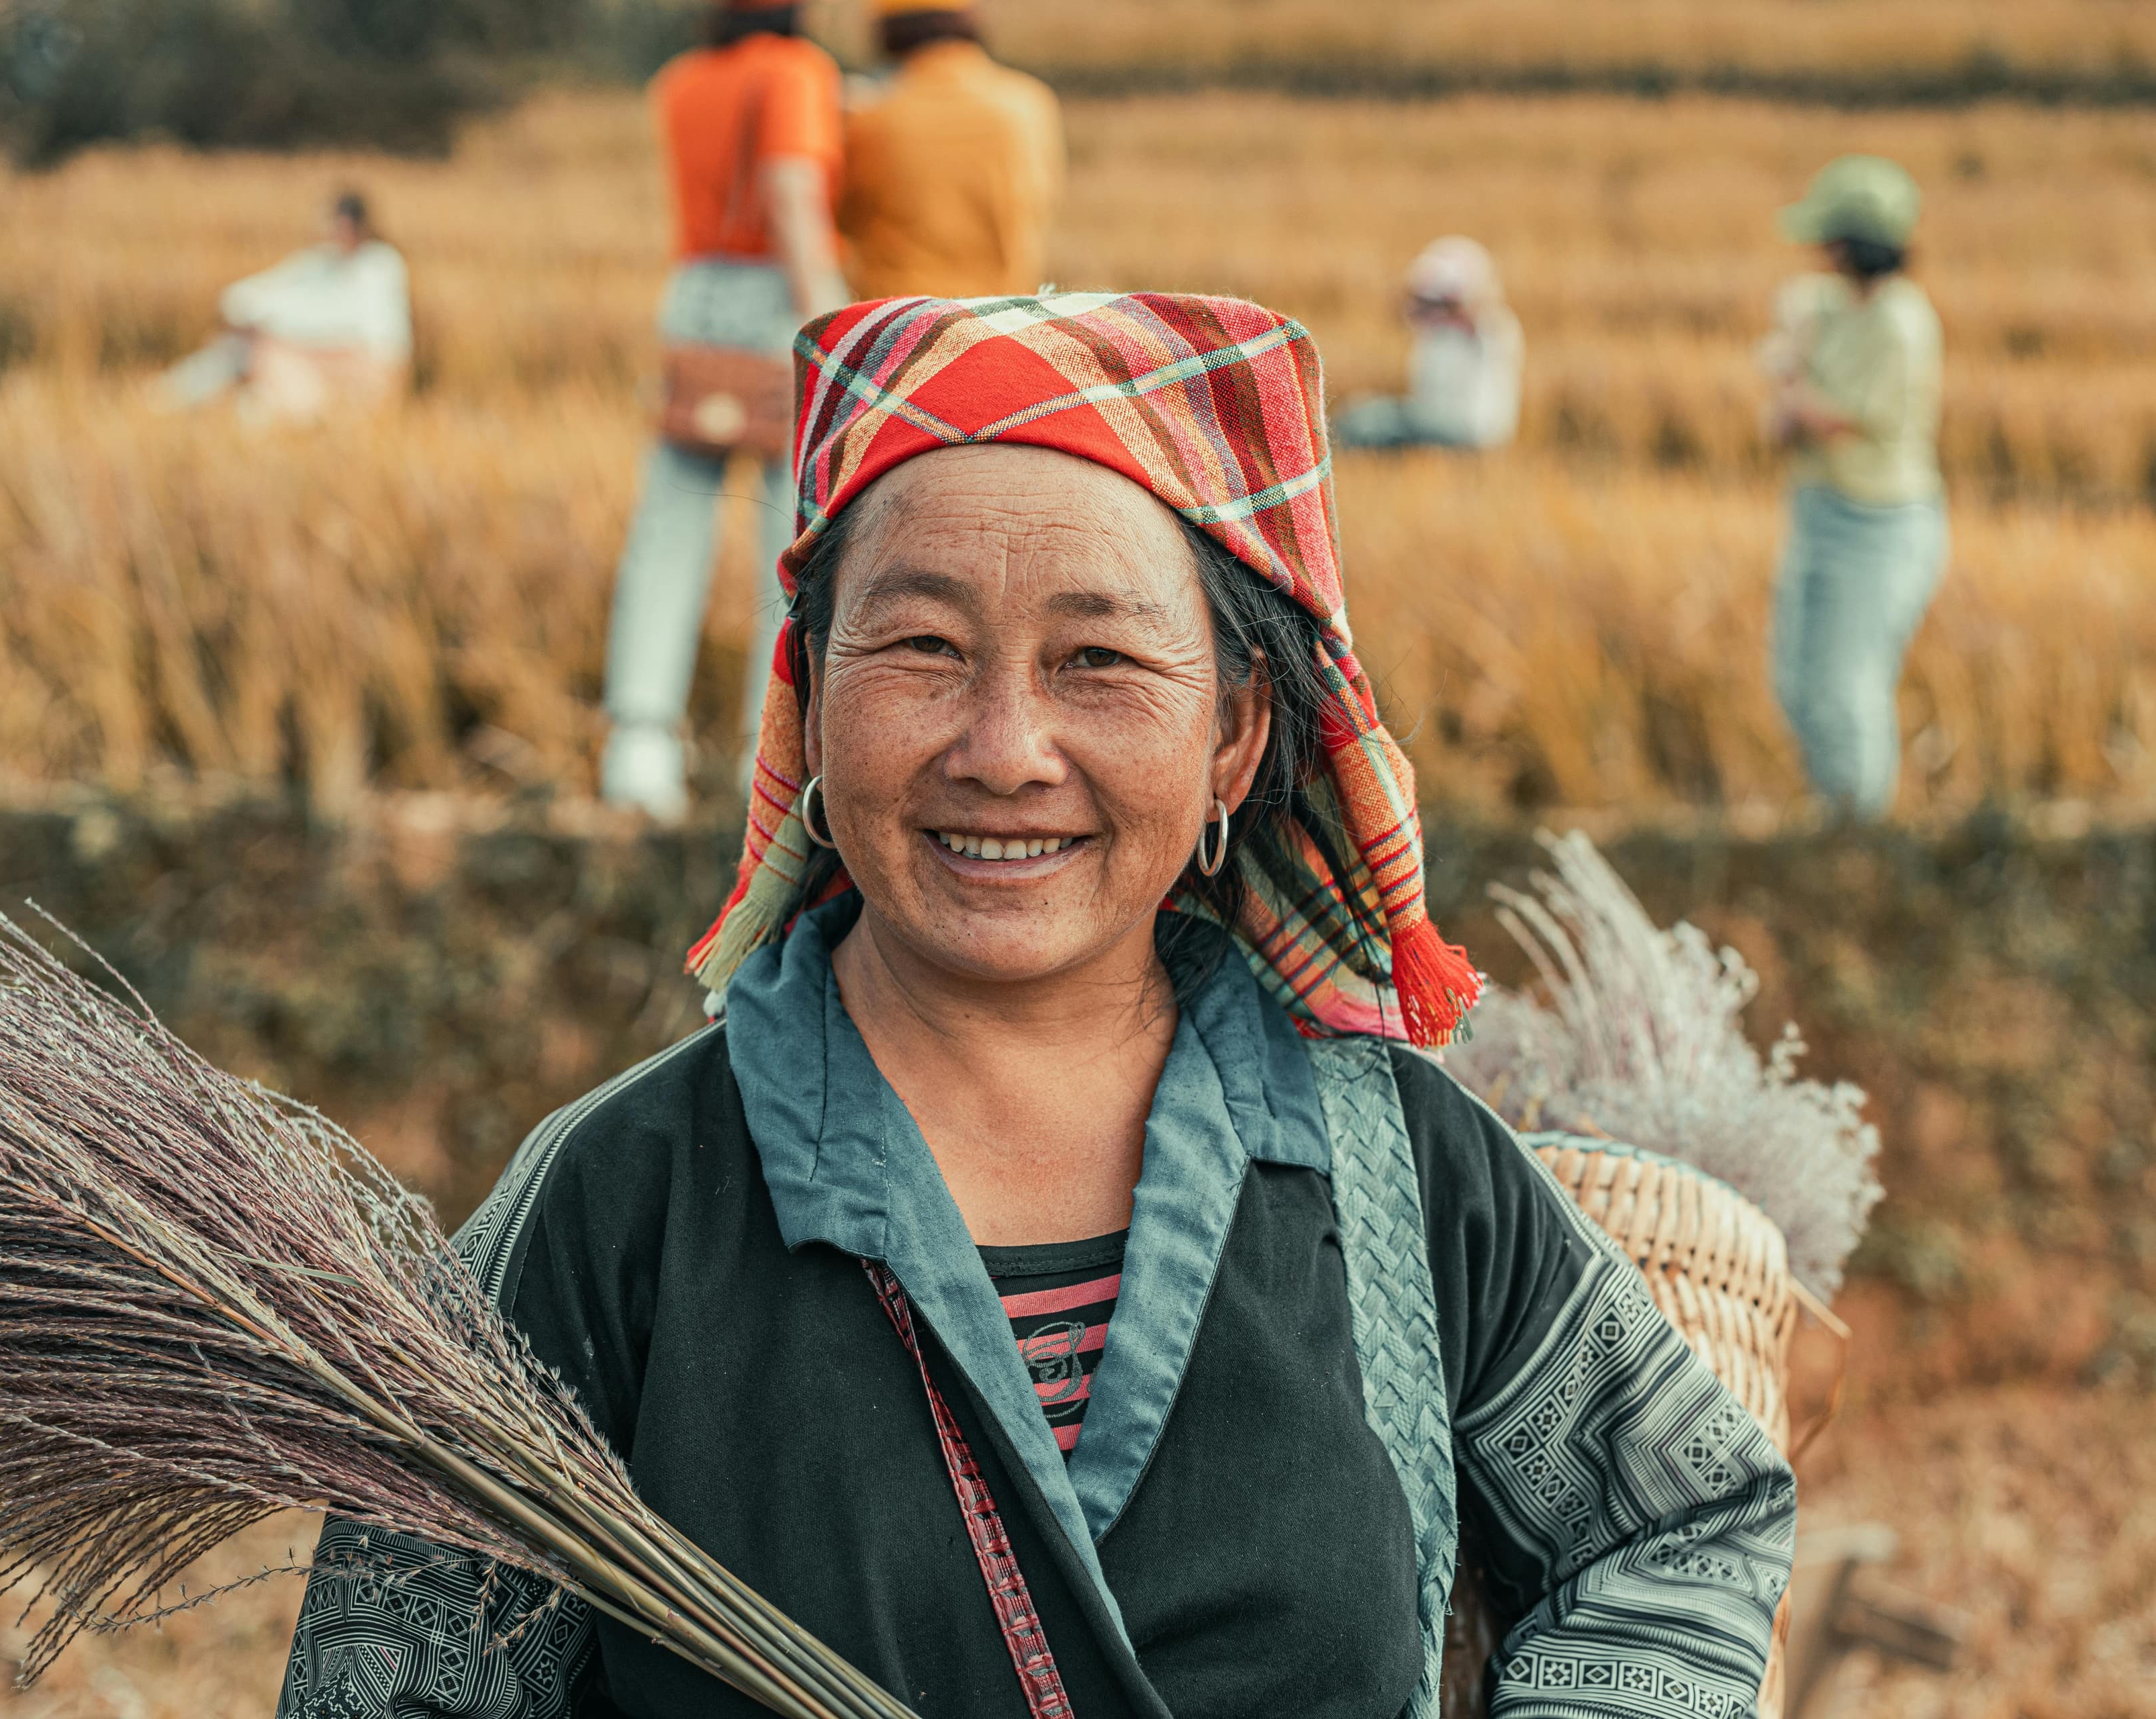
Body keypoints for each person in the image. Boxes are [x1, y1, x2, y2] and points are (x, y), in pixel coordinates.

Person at [276, 292, 1797, 1719]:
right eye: (923, 645)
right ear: (808, 699)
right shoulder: (617, 1202)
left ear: (1232, 732)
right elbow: (388, 1675)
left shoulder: (1390, 1162)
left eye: (1099, 659)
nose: (1003, 747)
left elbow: (1678, 1511)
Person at [599, 0, 848, 822]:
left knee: (667, 533)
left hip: (694, 295)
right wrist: (836, 333)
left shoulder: (682, 81)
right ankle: (765, 753)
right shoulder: (793, 71)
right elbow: (790, 197)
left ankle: (639, 747)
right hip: (770, 302)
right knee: (787, 537)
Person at [1760, 154, 1948, 819]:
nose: (1819, 252)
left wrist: (1789, 383)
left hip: (1879, 527)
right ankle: (1831, 806)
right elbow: (1789, 365)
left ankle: (1859, 828)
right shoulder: (1831, 305)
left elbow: (1824, 416)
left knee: (1847, 687)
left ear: (1855, 244)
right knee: (1793, 681)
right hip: (1819, 510)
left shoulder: (1901, 324)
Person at [837, 0, 1064, 301]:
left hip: (901, 322)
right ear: (971, 18)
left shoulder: (870, 120)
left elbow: (841, 218)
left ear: (884, 31)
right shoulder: (1030, 103)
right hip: (1007, 314)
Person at [158, 190, 410, 423]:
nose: (337, 232)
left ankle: (168, 403)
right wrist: (248, 320)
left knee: (257, 369)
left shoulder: (379, 268)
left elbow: (376, 349)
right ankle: (169, 399)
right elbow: (261, 293)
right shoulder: (323, 261)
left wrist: (275, 337)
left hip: (341, 377)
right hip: (305, 365)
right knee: (242, 357)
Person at [1333, 236, 1525, 452]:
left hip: (1466, 431)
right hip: (1448, 426)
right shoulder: (1443, 330)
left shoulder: (1489, 329)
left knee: (1368, 422)